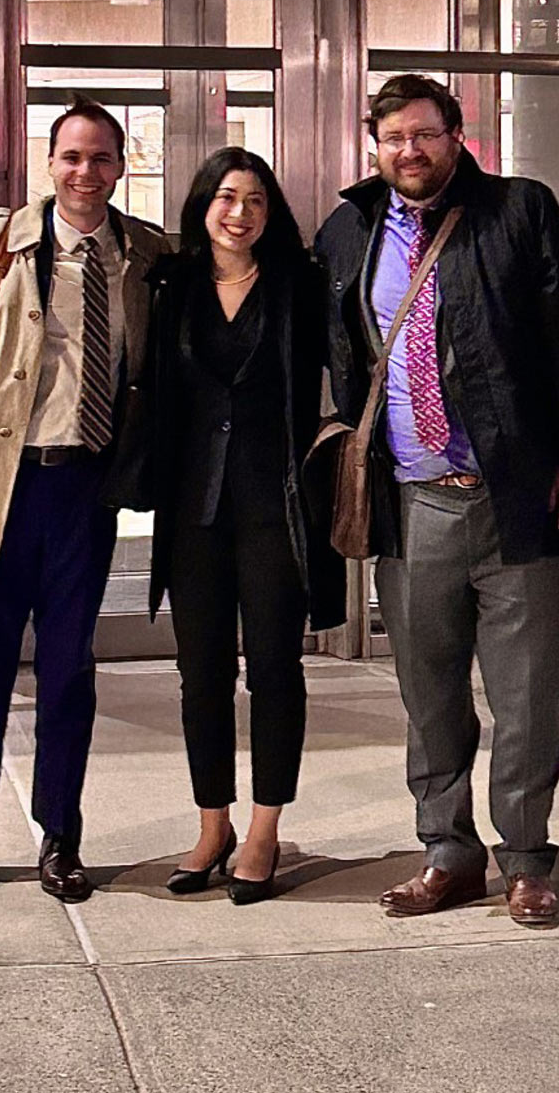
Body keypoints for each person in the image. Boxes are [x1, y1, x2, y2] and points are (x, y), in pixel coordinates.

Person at [316, 73, 559, 927]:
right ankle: (447, 852)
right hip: (411, 501)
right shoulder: (349, 229)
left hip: (514, 498)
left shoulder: (520, 212)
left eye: (424, 134)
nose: (409, 151)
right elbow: (336, 350)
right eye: (393, 138)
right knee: (428, 692)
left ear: (458, 135)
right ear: (373, 145)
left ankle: (528, 858)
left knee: (528, 693)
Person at [0, 97, 169, 904]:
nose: (87, 172)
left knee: (68, 674)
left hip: (84, 490)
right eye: (73, 157)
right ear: (50, 162)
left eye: (103, 158)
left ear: (120, 167)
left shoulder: (142, 256)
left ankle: (61, 839)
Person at [149, 147, 345, 905]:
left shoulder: (299, 286)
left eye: (256, 200)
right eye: (227, 197)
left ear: (272, 213)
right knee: (200, 675)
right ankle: (212, 824)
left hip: (276, 508)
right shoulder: (174, 287)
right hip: (194, 511)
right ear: (204, 205)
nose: (240, 213)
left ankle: (263, 829)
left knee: (273, 671)